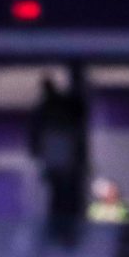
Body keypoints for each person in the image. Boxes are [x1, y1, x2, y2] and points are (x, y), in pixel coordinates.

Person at [28, 75, 88, 247]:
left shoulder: (53, 110)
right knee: (61, 194)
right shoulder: (47, 112)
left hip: (60, 153)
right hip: (58, 154)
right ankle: (61, 229)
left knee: (63, 194)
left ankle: (65, 229)